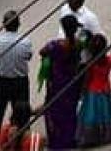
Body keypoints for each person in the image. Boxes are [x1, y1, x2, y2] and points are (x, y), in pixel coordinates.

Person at [0, 11, 33, 151]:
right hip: (20, 81)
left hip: (0, 80)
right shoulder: (25, 41)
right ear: (18, 25)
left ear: (4, 24)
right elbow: (28, 57)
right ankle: (23, 142)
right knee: (21, 114)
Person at [39, 16, 83, 150]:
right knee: (69, 111)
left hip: (57, 83)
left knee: (54, 111)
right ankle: (69, 139)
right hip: (71, 82)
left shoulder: (56, 45)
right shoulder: (78, 43)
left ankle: (56, 142)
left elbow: (42, 52)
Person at [76, 34, 111, 146]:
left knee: (91, 115)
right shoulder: (110, 60)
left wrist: (82, 91)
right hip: (105, 89)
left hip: (92, 91)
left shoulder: (91, 65)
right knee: (105, 113)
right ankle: (105, 134)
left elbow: (87, 80)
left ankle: (91, 137)